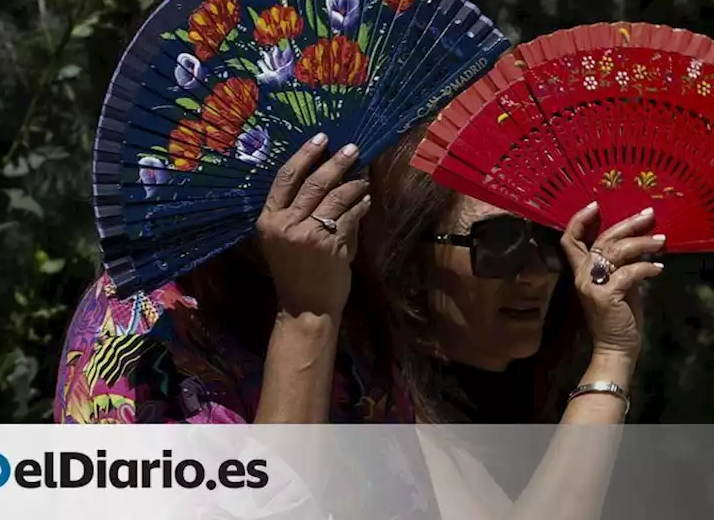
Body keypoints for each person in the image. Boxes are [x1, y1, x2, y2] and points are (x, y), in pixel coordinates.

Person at [55, 125, 666, 516]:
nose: (542, 272)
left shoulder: (359, 343)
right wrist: (307, 317)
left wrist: (612, 356)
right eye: (500, 242)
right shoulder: (139, 328)